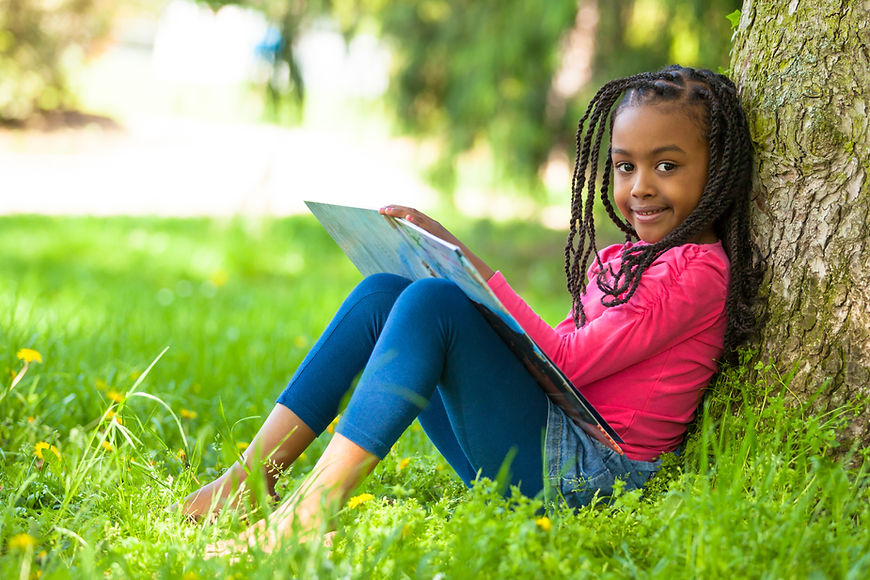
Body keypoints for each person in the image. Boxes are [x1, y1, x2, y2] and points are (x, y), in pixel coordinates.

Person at [180, 64, 765, 556]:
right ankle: (252, 479)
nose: (640, 186)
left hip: (593, 477)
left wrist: (468, 266)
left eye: (667, 166)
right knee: (387, 292)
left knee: (434, 301)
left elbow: (569, 366)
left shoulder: (695, 272)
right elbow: (560, 361)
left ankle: (312, 512)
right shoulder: (623, 258)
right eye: (624, 165)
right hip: (547, 449)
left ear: (718, 172)